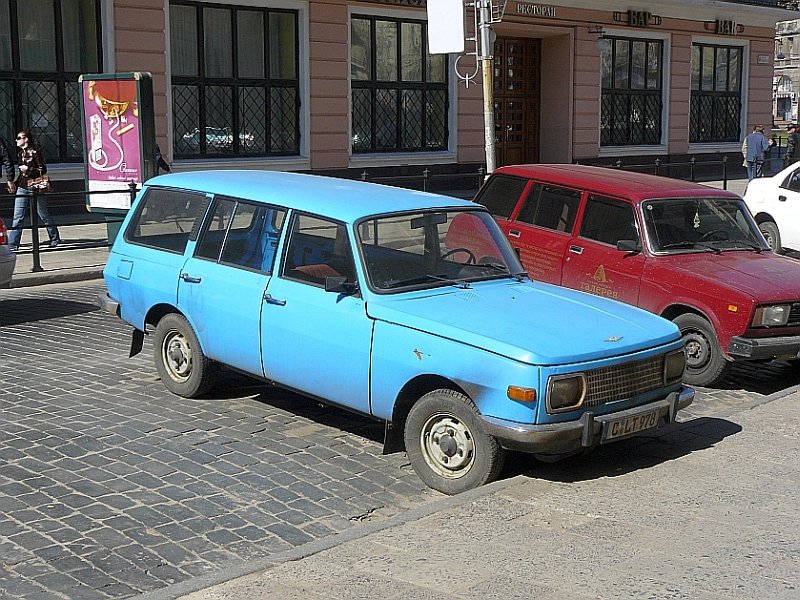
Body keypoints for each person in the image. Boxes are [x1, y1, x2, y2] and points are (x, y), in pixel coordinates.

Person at [7, 129, 61, 250]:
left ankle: (55, 238)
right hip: (22, 186)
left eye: (19, 138)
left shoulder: (35, 151)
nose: (16, 140)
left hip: (35, 186)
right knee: (18, 215)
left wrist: (29, 170)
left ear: (26, 139)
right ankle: (13, 243)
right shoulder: (20, 153)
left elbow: (43, 169)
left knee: (43, 214)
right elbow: (22, 175)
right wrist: (15, 184)